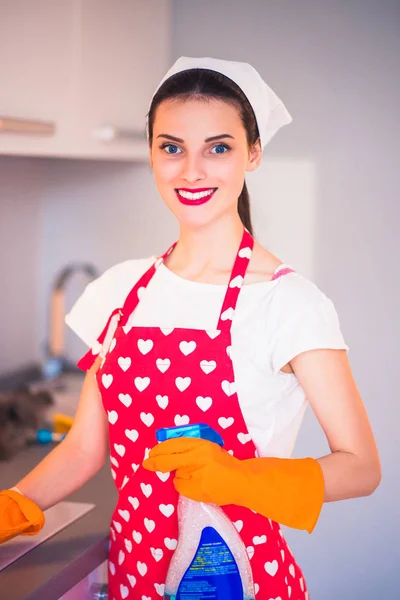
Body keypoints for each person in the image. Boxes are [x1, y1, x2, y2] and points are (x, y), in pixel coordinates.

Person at [0, 56, 381, 599]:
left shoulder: (288, 302)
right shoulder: (121, 290)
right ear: (152, 152)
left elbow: (362, 467)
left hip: (244, 583)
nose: (191, 171)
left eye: (218, 148)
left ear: (252, 153)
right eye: (172, 147)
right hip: (134, 578)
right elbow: (86, 448)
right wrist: (14, 505)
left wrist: (241, 478)